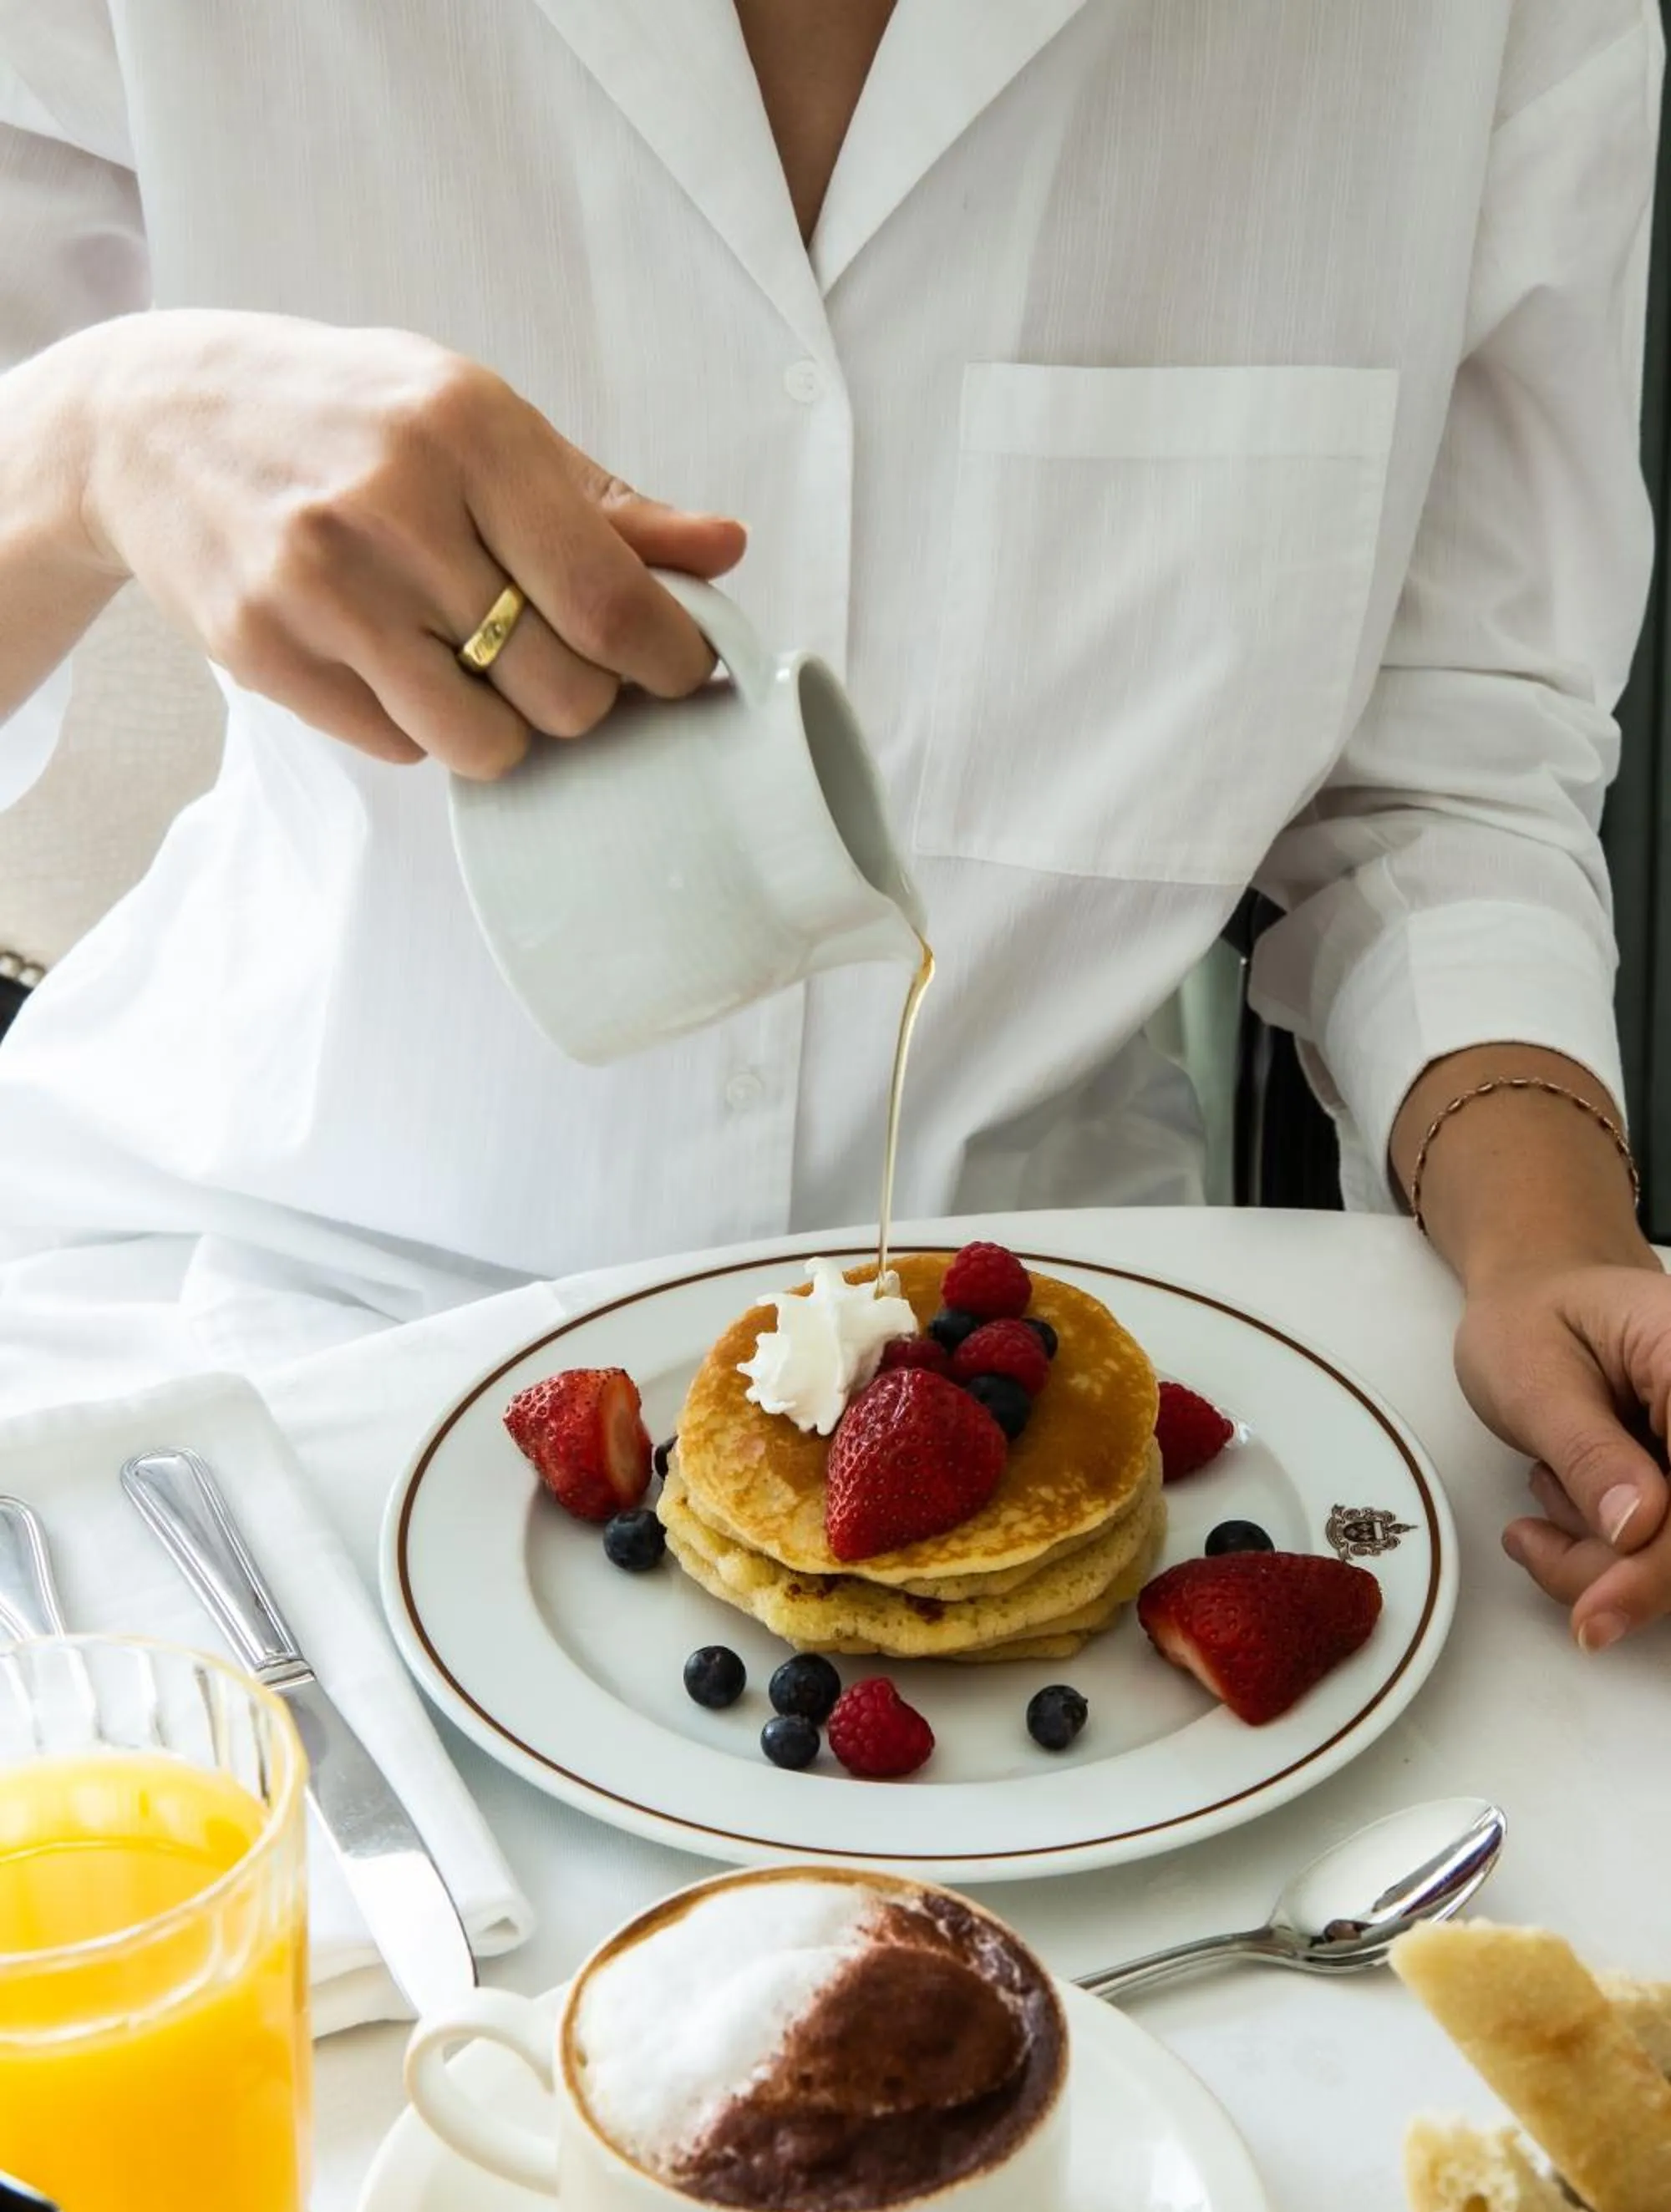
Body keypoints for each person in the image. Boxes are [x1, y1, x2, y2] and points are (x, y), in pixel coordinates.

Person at [0, 1, 1666, 1649]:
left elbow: (1443, 773)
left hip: (1071, 1349)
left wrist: (1549, 1243)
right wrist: (89, 436)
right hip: (260, 1317)